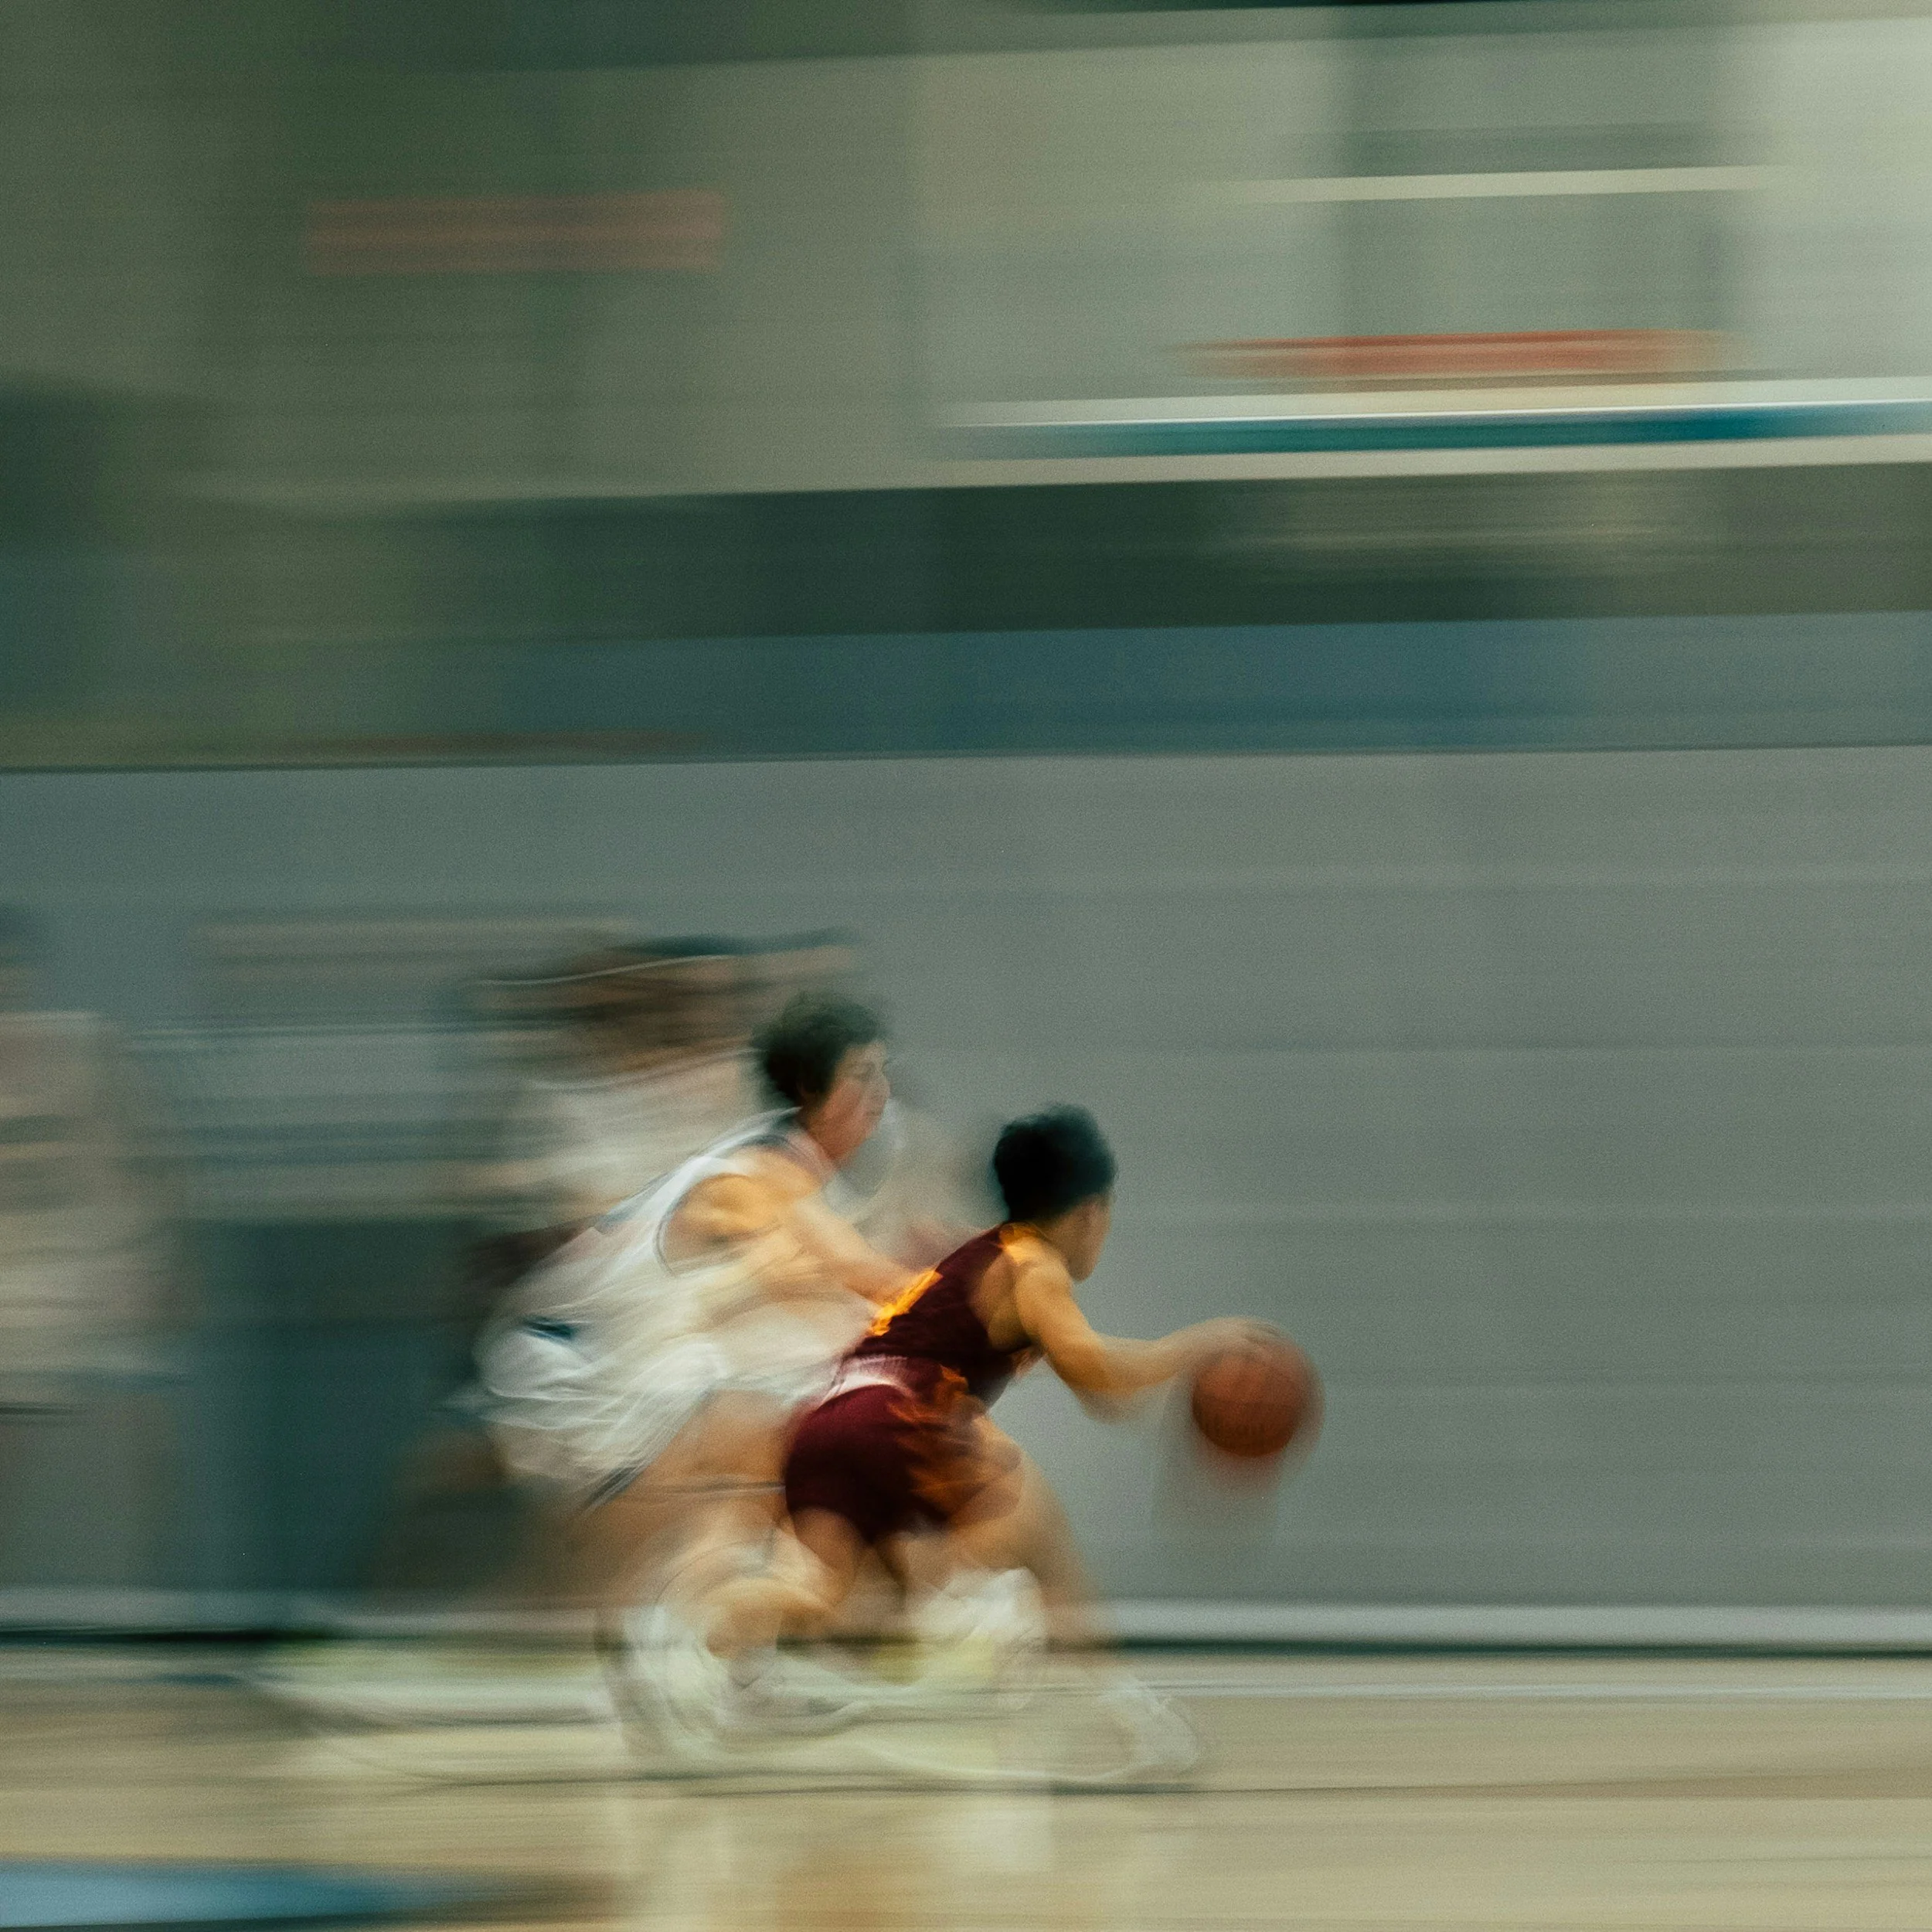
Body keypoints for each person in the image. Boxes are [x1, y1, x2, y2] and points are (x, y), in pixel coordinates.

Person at [690, 1105, 1273, 1700]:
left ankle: (685, 1642)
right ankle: (1104, 1705)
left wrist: (1166, 1398)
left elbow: (1104, 1390)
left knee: (822, 1597)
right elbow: (1093, 1370)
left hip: (828, 1416)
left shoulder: (983, 1256)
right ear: (1089, 1212)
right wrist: (1194, 1348)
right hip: (891, 1417)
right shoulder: (1034, 1263)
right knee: (1041, 1539)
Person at [476, 992, 916, 1616]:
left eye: (883, 1073)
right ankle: (702, 1634)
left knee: (780, 1464)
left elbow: (830, 1296)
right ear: (811, 1091)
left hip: (626, 1373)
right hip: (576, 1381)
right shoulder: (763, 1173)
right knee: (798, 1444)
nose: (881, 1094)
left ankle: (718, 1643)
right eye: (863, 1075)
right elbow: (859, 1276)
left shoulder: (798, 1175)